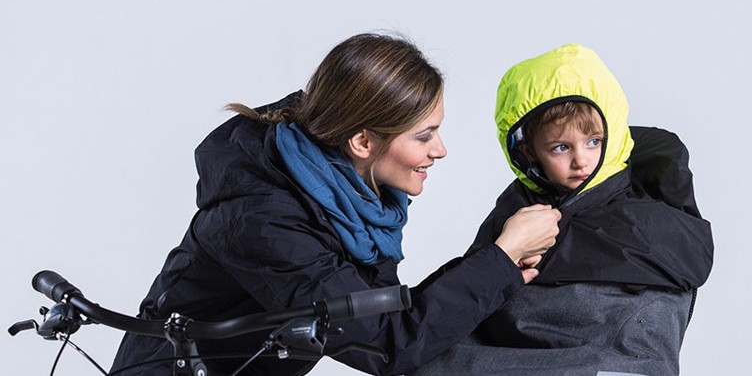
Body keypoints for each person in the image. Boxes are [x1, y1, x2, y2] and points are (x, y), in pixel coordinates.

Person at [110, 33, 561, 376]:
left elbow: (378, 313)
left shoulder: (353, 196)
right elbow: (384, 345)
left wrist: (494, 271)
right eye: (423, 136)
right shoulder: (266, 222)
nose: (439, 149)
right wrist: (497, 261)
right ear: (363, 141)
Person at [411, 44, 714, 375]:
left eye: (593, 142)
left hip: (607, 354)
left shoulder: (645, 212)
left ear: (611, 134)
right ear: (529, 152)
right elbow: (476, 292)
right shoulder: (519, 206)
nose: (581, 160)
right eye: (560, 147)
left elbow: (661, 304)